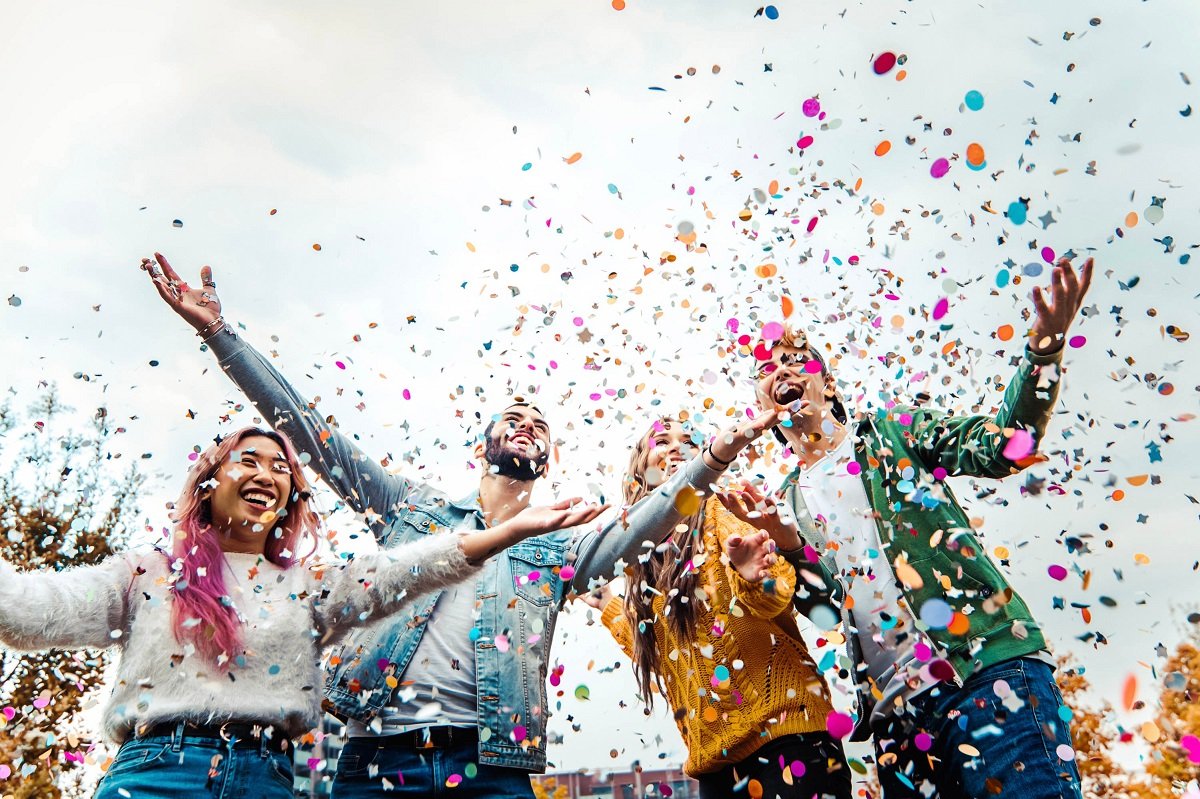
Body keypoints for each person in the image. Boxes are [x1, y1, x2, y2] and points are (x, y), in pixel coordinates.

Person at [139, 252, 771, 797]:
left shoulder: (558, 547)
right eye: (513, 418)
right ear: (482, 447)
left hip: (492, 767)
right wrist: (219, 332)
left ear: (546, 459)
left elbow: (639, 529)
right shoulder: (410, 510)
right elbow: (311, 433)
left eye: (539, 426)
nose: (526, 425)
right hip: (375, 758)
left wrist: (714, 457)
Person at [0, 425, 602, 799]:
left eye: (281, 467)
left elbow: (408, 571)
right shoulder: (144, 575)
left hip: (268, 778)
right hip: (156, 774)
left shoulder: (309, 587)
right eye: (248, 461)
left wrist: (509, 532)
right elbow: (25, 613)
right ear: (208, 480)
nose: (267, 475)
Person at [741, 258, 1094, 798]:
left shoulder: (892, 433)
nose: (782, 371)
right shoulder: (786, 502)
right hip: (898, 724)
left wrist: (1043, 353)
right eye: (769, 368)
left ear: (827, 384)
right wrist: (787, 546)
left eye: (795, 360)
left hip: (983, 675)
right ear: (761, 404)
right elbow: (829, 610)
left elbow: (1003, 446)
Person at [584, 415, 851, 799]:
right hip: (715, 762)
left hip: (788, 737)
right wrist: (609, 606)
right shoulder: (643, 559)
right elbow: (666, 652)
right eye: (663, 441)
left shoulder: (724, 507)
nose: (677, 447)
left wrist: (753, 576)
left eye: (688, 441)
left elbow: (776, 596)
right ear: (639, 467)